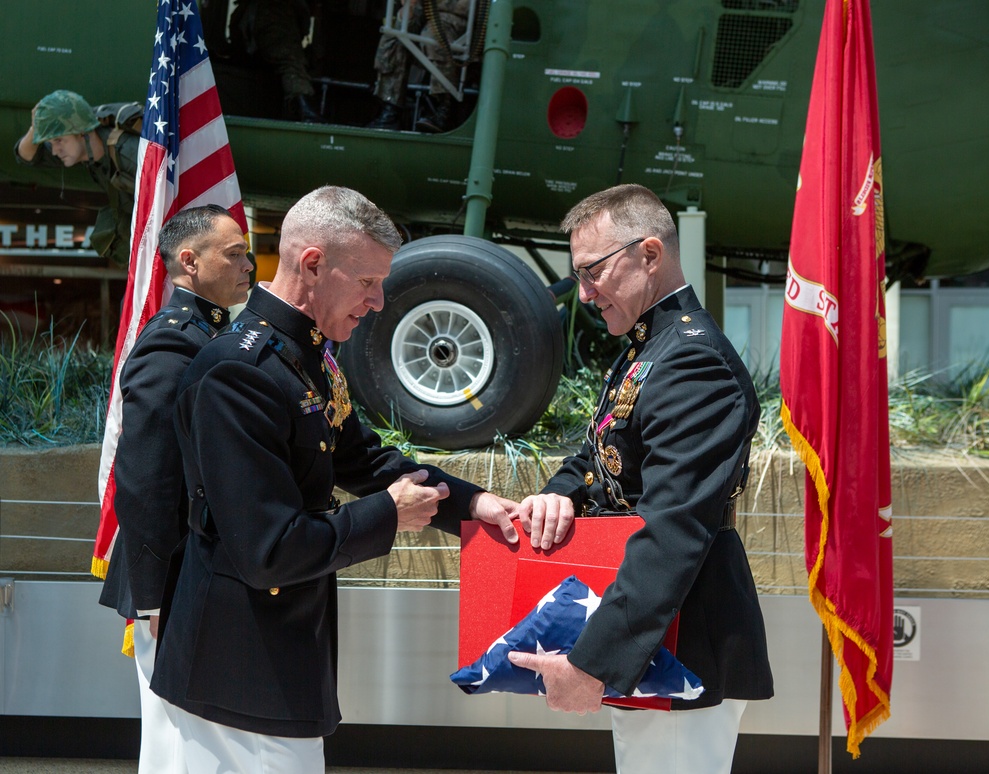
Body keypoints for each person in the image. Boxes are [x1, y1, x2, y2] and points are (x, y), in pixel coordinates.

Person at [150, 185, 549, 772]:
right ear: (312, 264)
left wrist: (476, 503)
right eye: (367, 282)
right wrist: (387, 514)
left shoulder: (307, 354)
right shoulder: (239, 372)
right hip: (235, 672)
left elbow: (362, 459)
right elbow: (268, 550)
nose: (380, 300)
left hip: (277, 659)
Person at [508, 184, 774, 774]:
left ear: (650, 254)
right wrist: (559, 495)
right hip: (654, 633)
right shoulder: (648, 348)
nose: (585, 293)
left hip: (685, 636)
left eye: (593, 271)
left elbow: (673, 528)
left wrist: (593, 663)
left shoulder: (692, 361)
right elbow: (598, 456)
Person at [98, 204, 253, 774]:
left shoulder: (213, 334)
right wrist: (153, 596)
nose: (249, 265)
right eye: (234, 254)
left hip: (197, 571)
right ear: (189, 261)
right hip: (170, 577)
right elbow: (144, 480)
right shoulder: (171, 345)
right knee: (173, 740)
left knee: (202, 740)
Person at [14, 90, 141, 267]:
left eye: (58, 141)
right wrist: (36, 128)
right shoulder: (82, 150)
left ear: (83, 133)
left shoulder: (129, 153)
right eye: (51, 143)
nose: (54, 150)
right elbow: (26, 156)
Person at [368, 0, 470, 132]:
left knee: (434, 34)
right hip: (426, 10)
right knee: (395, 34)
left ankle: (444, 108)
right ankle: (391, 108)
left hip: (458, 16)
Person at [229, 0, 321, 122]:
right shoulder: (279, 15)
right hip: (274, 16)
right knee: (291, 64)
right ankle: (306, 112)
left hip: (258, 19)